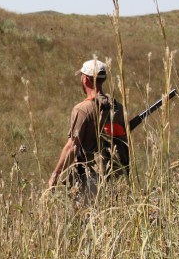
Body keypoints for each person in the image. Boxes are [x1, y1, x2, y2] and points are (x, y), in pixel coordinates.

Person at [47, 59, 129, 197]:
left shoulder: (82, 109)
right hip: (116, 177)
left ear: (85, 79)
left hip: (90, 180)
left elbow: (72, 147)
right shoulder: (118, 108)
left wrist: (55, 174)